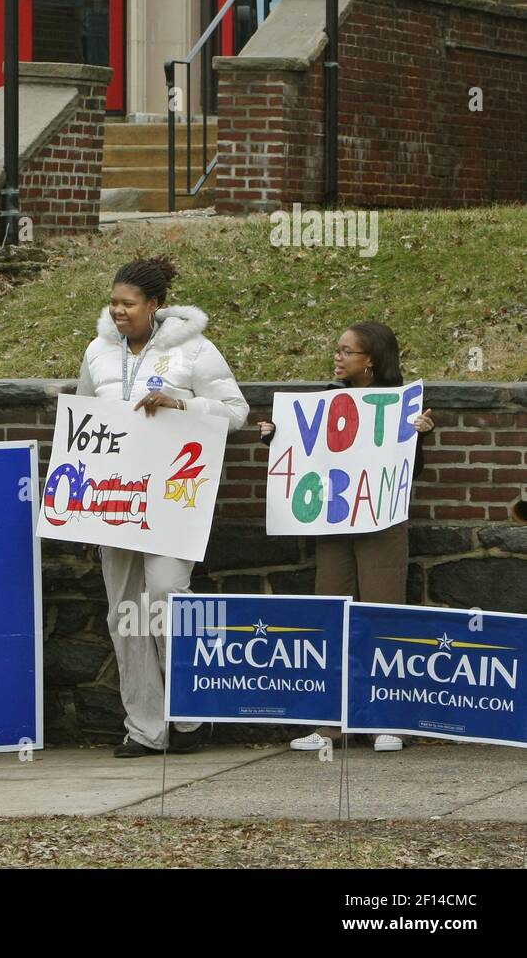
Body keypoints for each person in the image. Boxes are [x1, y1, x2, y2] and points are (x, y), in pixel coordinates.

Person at [76, 256, 250, 758]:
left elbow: (235, 411)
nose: (117, 311)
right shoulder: (97, 352)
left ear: (155, 306)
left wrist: (182, 405)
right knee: (123, 612)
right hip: (114, 498)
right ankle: (145, 727)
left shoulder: (193, 349)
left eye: (127, 304)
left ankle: (191, 716)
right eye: (112, 302)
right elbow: (86, 420)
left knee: (168, 597)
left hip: (173, 498)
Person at [259, 321, 436, 754]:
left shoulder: (398, 406)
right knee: (331, 615)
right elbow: (307, 458)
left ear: (370, 359)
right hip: (334, 522)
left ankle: (386, 721)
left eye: (346, 351)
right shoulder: (323, 403)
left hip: (380, 522)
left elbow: (413, 470)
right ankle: (330, 724)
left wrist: (420, 437)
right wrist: (277, 439)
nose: (337, 358)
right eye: (337, 350)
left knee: (382, 614)